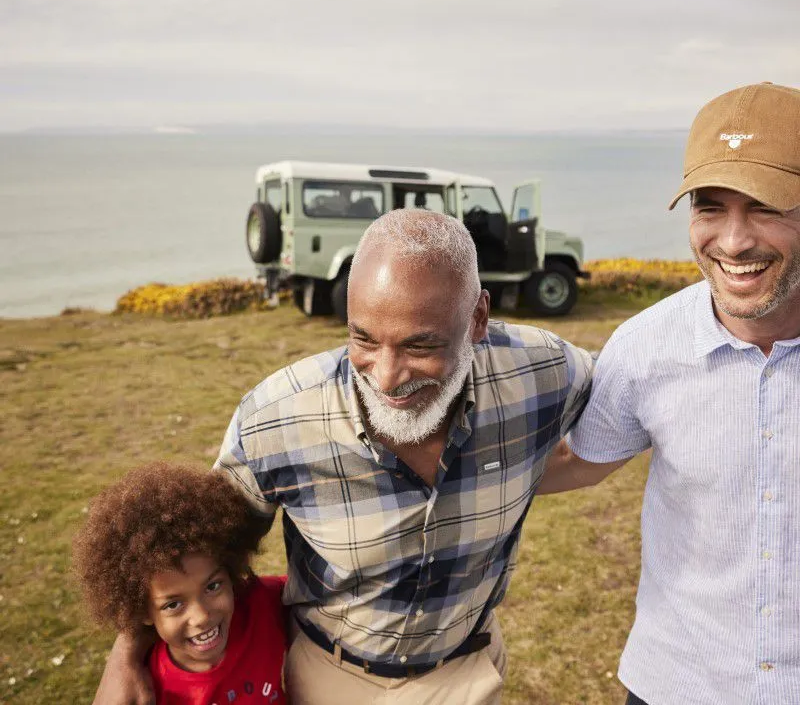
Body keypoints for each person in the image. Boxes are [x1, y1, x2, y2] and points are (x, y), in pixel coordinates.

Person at [93, 209, 592, 705]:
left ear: (478, 318)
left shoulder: (544, 372)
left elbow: (630, 406)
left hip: (470, 672)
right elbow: (187, 554)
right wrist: (127, 654)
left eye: (421, 345)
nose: (388, 376)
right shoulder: (274, 419)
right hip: (330, 678)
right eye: (364, 339)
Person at [539, 82, 800, 705]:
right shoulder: (644, 347)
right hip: (679, 685)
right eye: (709, 207)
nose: (733, 242)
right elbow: (575, 462)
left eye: (766, 207)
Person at [74, 463, 288, 705]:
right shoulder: (148, 691)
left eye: (212, 586)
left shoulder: (262, 605)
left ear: (231, 572)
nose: (201, 617)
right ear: (143, 612)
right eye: (173, 604)